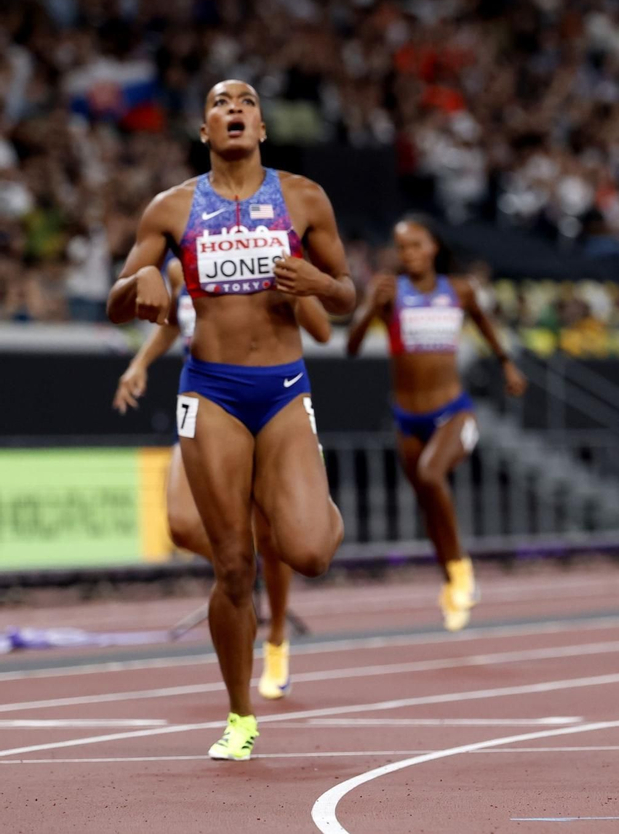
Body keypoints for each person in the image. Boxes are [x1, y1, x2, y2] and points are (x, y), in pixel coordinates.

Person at [107, 80, 355, 761]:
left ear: (263, 127)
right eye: (220, 103)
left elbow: (348, 293)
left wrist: (320, 286)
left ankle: (312, 500)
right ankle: (240, 714)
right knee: (232, 564)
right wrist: (142, 284)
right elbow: (115, 303)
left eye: (245, 101)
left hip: (282, 388)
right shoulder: (172, 208)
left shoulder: (303, 197)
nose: (234, 108)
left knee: (308, 551)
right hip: (210, 389)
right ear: (204, 130)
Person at [113, 257, 332, 699]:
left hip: (266, 403)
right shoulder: (180, 269)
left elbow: (323, 331)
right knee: (181, 523)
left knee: (275, 539)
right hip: (206, 403)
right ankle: (238, 564)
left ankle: (275, 641)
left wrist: (300, 289)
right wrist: (139, 363)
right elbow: (174, 324)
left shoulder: (268, 259)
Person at [345, 215, 526, 631]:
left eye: (416, 245)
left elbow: (485, 324)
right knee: (428, 500)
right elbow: (351, 348)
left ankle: (461, 569)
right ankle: (450, 580)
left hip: (453, 411)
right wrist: (371, 307)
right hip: (407, 417)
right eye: (401, 247)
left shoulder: (459, 290)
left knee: (430, 474)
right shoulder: (388, 292)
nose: (408, 254)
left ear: (434, 248)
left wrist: (507, 364)